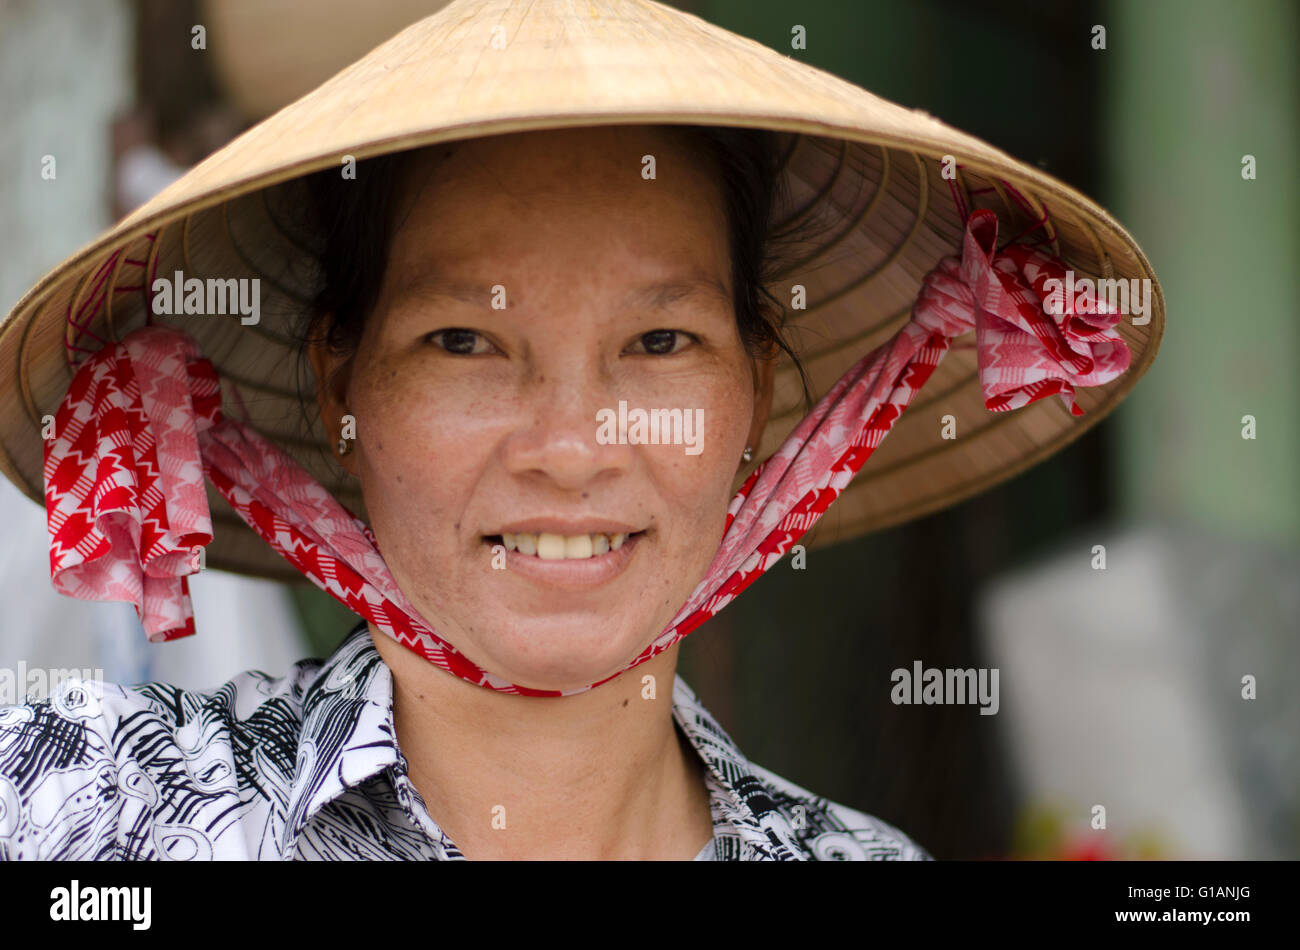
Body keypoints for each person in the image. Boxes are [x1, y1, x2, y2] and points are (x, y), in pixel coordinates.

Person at [0, 0, 1160, 861]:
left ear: (753, 397)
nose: (570, 444)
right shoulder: (82, 812)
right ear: (339, 390)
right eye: (462, 340)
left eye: (659, 344)